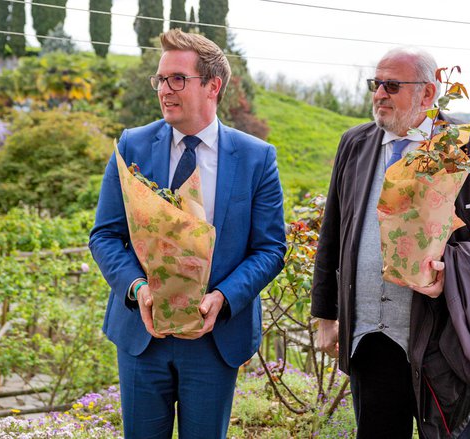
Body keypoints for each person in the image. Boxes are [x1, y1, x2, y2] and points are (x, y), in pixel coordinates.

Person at [311, 47, 470, 438]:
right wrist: (326, 314)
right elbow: (333, 232)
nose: (379, 93)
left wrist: (455, 268)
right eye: (375, 84)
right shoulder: (354, 144)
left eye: (392, 86)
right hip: (370, 339)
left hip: (446, 341)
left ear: (429, 94)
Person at [89, 29, 287, 439]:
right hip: (143, 335)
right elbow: (105, 235)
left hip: (214, 339)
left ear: (213, 86)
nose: (165, 89)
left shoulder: (257, 157)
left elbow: (270, 249)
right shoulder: (131, 146)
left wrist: (223, 298)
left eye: (177, 79)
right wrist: (138, 289)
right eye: (160, 80)